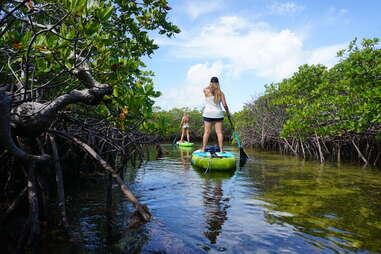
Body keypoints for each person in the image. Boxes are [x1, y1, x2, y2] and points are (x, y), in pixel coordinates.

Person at [201, 76, 229, 153]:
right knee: (219, 132)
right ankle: (221, 150)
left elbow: (207, 89)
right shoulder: (221, 93)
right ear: (218, 83)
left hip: (208, 113)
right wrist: (228, 112)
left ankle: (203, 149)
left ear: (210, 82)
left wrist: (210, 86)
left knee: (206, 132)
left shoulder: (205, 90)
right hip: (218, 114)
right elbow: (225, 105)